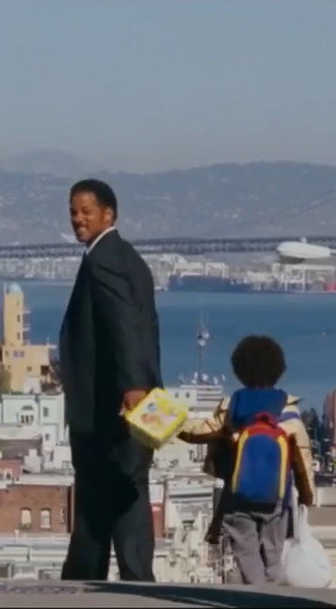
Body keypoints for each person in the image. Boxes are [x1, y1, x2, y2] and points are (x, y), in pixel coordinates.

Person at [58, 178, 162, 582]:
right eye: (73, 212)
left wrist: (132, 387)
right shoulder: (126, 256)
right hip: (125, 402)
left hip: (108, 407)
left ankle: (93, 577)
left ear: (108, 214)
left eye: (86, 211)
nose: (77, 219)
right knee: (118, 491)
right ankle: (109, 575)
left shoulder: (103, 259)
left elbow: (124, 325)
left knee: (107, 490)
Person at [177, 335, 315, 585]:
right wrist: (307, 495)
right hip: (277, 495)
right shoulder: (289, 410)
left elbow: (200, 431)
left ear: (239, 370)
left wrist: (170, 423)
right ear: (279, 370)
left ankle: (257, 591)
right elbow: (302, 458)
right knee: (273, 553)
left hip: (238, 493)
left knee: (246, 550)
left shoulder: (233, 407)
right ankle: (269, 591)